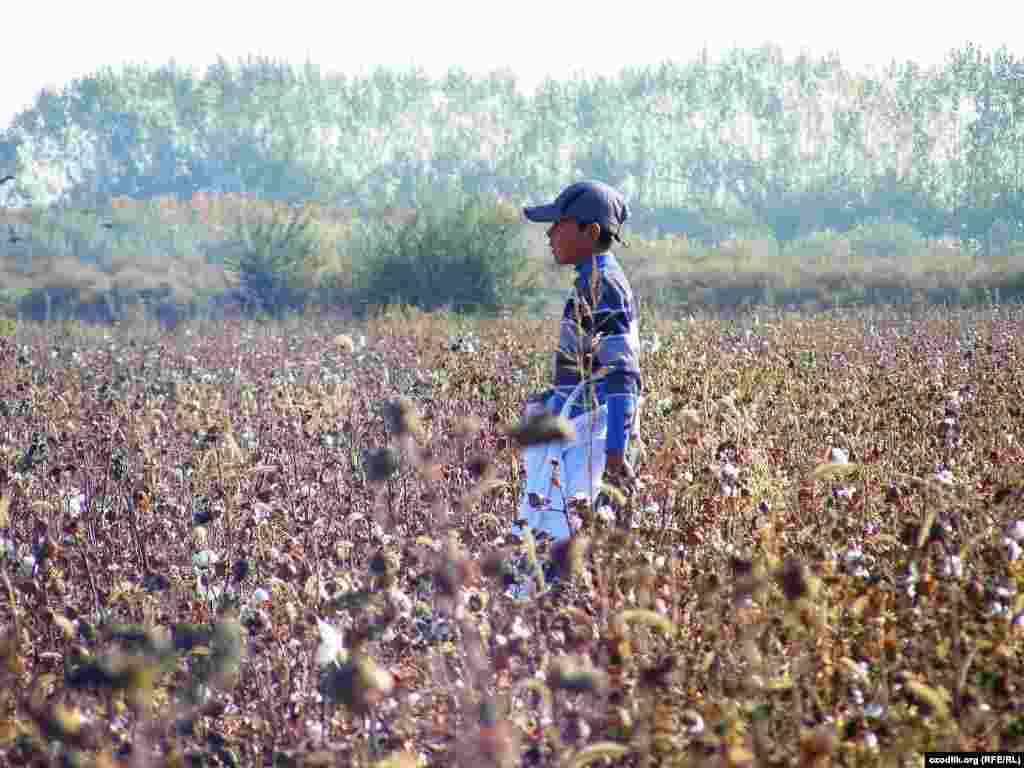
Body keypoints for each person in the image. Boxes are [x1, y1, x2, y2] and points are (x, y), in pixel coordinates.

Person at [520, 179, 643, 533]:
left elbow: (622, 375)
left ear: (590, 232)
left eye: (558, 226)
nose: (550, 235)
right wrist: (550, 400)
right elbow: (591, 369)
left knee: (559, 547)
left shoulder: (604, 286)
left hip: (591, 444)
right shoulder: (592, 280)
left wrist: (616, 456)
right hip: (579, 434)